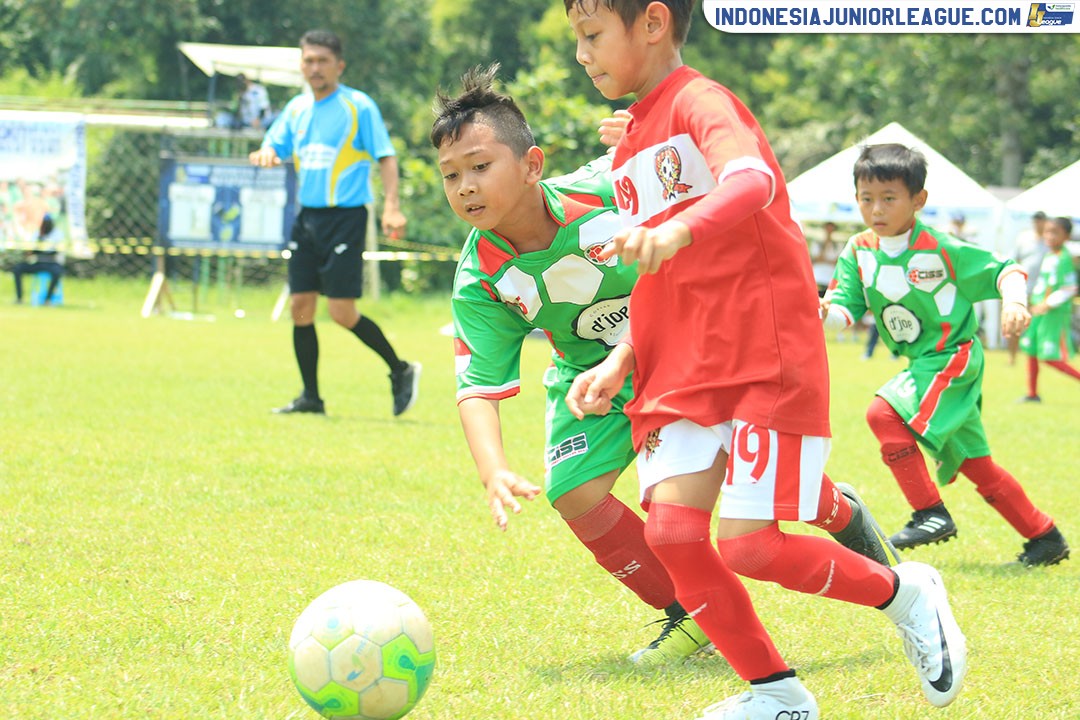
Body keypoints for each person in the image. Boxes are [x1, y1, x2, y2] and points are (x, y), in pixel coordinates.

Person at [563, 2, 965, 718]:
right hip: (678, 366)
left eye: (592, 35)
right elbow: (662, 267)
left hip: (758, 352)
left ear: (653, 23)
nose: (582, 54)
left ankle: (908, 594)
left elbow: (754, 183)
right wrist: (621, 357)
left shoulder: (701, 101)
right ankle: (779, 697)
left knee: (750, 547)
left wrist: (682, 226)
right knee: (674, 535)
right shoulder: (629, 148)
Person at [433, 64, 714, 666]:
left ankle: (836, 511)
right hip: (587, 377)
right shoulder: (480, 278)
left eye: (481, 167)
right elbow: (477, 386)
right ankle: (692, 614)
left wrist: (654, 135)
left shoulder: (607, 185)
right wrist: (494, 470)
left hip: (680, 344)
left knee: (727, 504)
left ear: (532, 164)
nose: (466, 187)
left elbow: (707, 166)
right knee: (574, 492)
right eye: (451, 175)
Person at [822, 143, 1070, 569]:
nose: (875, 209)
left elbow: (1005, 270)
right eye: (866, 198)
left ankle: (930, 514)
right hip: (922, 364)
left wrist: (1015, 302)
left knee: (883, 414)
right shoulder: (859, 251)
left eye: (888, 198)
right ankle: (1045, 537)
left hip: (952, 358)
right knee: (977, 466)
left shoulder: (941, 248)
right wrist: (822, 314)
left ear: (919, 200)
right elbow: (844, 309)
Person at [250, 29, 418, 417]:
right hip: (307, 218)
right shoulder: (296, 109)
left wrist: (391, 207)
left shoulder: (358, 106)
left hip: (345, 217)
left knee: (342, 312)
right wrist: (266, 154)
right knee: (301, 307)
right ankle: (311, 397)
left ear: (339, 65)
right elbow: (273, 145)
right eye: (308, 61)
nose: (315, 68)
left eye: (322, 61)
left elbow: (386, 158)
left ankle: (400, 369)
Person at [1019, 216, 1080, 400]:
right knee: (1031, 349)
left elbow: (1068, 288)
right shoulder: (1049, 255)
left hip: (1052, 312)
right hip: (1039, 309)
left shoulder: (1064, 258)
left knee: (1049, 356)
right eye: (1047, 231)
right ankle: (1032, 393)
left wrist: (1047, 305)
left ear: (1066, 236)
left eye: (1055, 232)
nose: (1050, 236)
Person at [1009, 211, 1048, 364]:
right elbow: (1014, 260)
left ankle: (1034, 358)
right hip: (1023, 289)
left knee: (1036, 327)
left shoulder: (1049, 240)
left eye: (1041, 221)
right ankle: (1012, 356)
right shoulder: (1024, 238)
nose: (1038, 223)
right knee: (1016, 323)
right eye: (1036, 221)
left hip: (1042, 291)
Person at [12, 213, 64, 304]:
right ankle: (19, 298)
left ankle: (47, 299)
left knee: (57, 272)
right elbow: (30, 252)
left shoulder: (57, 234)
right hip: (38, 262)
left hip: (51, 262)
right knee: (18, 269)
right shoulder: (37, 233)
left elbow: (57, 250)